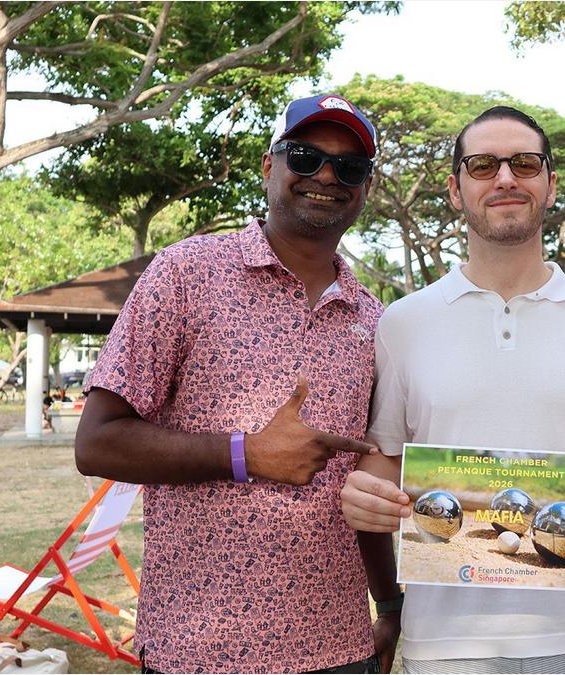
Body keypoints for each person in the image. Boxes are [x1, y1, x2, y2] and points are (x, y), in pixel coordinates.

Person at [74, 94, 400, 673]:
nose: (327, 176)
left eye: (349, 167)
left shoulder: (375, 320)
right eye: (305, 157)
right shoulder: (186, 273)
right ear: (270, 165)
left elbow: (365, 484)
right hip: (200, 649)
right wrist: (246, 453)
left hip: (338, 648)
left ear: (365, 188)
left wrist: (391, 603)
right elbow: (97, 443)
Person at [338, 106, 565, 674]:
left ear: (550, 184)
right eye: (484, 165)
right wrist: (365, 493)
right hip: (444, 647)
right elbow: (384, 459)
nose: (506, 178)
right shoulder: (403, 324)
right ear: (455, 189)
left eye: (525, 164)